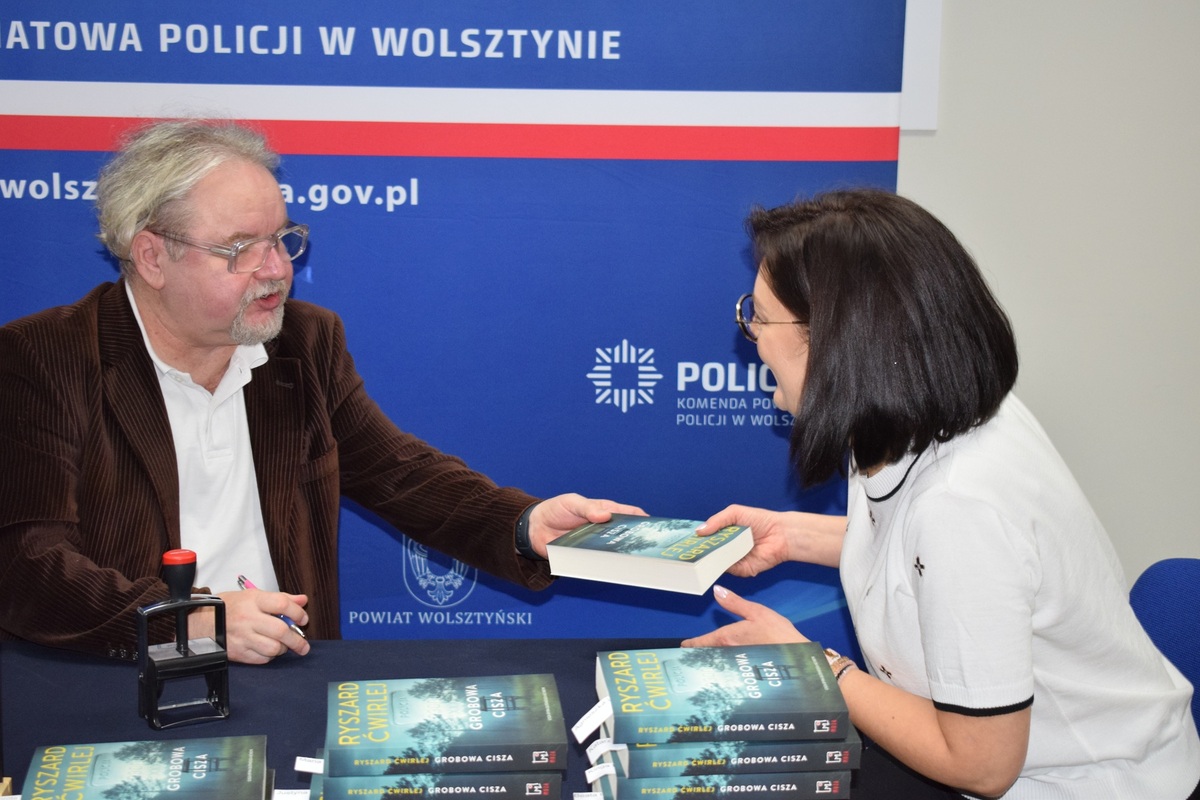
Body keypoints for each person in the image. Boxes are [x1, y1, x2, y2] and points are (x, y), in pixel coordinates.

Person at [0, 119, 640, 666]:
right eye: (241, 249)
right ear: (151, 257)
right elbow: (27, 566)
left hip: (289, 675)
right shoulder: (42, 360)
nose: (278, 268)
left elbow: (401, 477)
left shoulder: (303, 343)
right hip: (121, 685)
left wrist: (524, 525)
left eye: (281, 238)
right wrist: (188, 621)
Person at [683, 189, 1200, 798]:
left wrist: (813, 668)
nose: (750, 334)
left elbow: (982, 765)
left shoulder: (963, 501)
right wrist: (794, 536)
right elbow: (931, 558)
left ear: (836, 340)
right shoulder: (920, 411)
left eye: (760, 317)